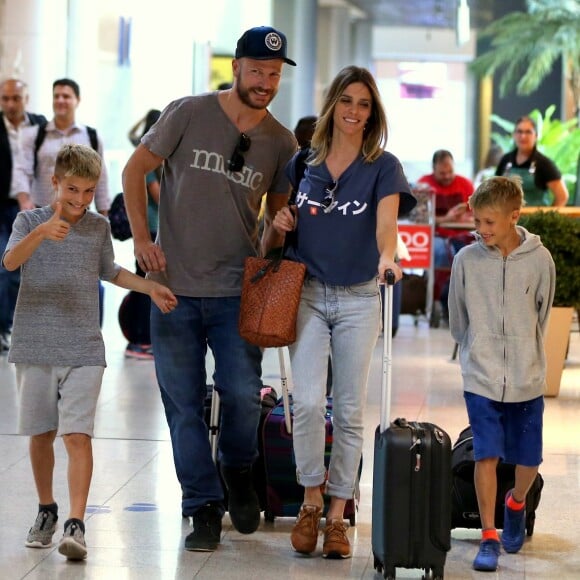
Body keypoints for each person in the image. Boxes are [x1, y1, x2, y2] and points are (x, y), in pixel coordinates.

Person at [121, 25, 297, 552]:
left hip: (234, 290)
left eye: (274, 73)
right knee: (182, 404)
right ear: (237, 67)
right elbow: (135, 170)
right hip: (171, 289)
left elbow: (270, 226)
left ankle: (238, 470)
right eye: (257, 70)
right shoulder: (189, 112)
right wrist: (141, 239)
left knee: (242, 395)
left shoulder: (281, 142)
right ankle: (201, 505)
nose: (265, 81)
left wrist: (279, 227)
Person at [2, 144, 177, 561]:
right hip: (35, 345)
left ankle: (76, 523)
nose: (80, 200)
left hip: (83, 345)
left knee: (78, 435)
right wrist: (42, 233)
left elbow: (110, 271)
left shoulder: (97, 228)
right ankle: (47, 509)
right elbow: (9, 263)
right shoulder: (29, 220)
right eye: (73, 190)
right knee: (42, 434)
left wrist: (149, 286)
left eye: (88, 191)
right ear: (56, 183)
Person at [273, 65, 416, 559]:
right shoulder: (302, 164)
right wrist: (279, 219)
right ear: (333, 104)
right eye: (348, 101)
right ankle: (310, 500)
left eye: (364, 104)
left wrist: (386, 257)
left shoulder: (384, 166)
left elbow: (386, 225)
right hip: (308, 292)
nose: (355, 112)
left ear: (372, 112)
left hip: (358, 296)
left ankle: (337, 513)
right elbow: (280, 225)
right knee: (309, 403)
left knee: (350, 410)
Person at [448, 176, 555, 572]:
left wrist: (525, 349)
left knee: (529, 457)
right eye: (478, 221)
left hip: (527, 376)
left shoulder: (540, 260)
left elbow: (541, 315)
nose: (482, 230)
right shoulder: (466, 262)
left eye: (490, 222)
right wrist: (477, 349)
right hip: (482, 376)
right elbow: (457, 319)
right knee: (486, 454)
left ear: (514, 217)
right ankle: (489, 535)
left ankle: (516, 503)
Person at [10, 78, 110, 215]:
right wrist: (24, 200)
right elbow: (22, 170)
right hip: (41, 213)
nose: (60, 100)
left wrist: (103, 214)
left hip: (80, 215)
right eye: (56, 96)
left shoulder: (91, 137)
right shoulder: (35, 135)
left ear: (78, 100)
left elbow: (101, 177)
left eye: (66, 96)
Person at [0, 79, 47, 353]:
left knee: (26, 269)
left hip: (32, 206)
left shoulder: (40, 126)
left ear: (25, 99)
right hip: (2, 207)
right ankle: (4, 327)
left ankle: (22, 326)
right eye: (5, 99)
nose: (10, 104)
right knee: (5, 267)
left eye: (15, 98)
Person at [123, 108, 162, 360]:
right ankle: (139, 340)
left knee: (146, 283)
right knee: (143, 284)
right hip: (149, 229)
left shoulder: (157, 157)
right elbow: (159, 196)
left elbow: (131, 133)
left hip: (156, 227)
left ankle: (142, 339)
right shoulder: (147, 160)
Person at [418, 149, 475, 267]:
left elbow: (477, 214)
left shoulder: (465, 184)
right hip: (436, 236)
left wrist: (468, 218)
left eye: (450, 171)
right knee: (443, 252)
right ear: (433, 170)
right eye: (442, 173)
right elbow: (420, 219)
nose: (447, 176)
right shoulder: (424, 185)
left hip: (463, 235)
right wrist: (446, 219)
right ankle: (443, 284)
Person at [495, 116, 569, 207]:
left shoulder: (544, 164)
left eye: (528, 132)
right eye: (519, 131)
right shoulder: (506, 160)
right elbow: (495, 192)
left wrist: (548, 217)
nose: (523, 136)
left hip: (535, 220)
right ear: (514, 135)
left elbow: (562, 197)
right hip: (507, 219)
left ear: (536, 136)